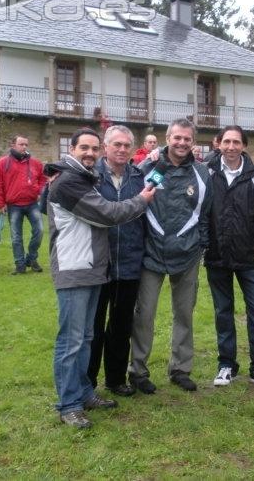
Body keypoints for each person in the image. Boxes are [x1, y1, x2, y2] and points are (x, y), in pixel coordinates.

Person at [45, 127, 155, 429]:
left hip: (94, 269)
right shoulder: (68, 182)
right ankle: (68, 404)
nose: (90, 153)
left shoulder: (84, 178)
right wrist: (142, 200)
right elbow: (107, 213)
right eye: (85, 148)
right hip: (74, 269)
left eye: (94, 149)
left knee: (86, 338)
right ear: (72, 149)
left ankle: (84, 393)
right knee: (71, 341)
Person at [129, 119, 212, 394]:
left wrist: (200, 244)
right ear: (168, 138)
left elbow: (206, 213)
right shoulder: (151, 167)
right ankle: (138, 371)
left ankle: (180, 369)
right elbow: (135, 202)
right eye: (177, 138)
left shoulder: (201, 173)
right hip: (151, 254)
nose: (182, 143)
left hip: (187, 255)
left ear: (193, 141)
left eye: (187, 139)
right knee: (144, 314)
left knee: (184, 314)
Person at [205, 126, 254, 388]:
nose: (230, 146)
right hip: (216, 255)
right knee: (223, 312)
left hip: (249, 256)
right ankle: (226, 364)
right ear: (219, 144)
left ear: (244, 146)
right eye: (226, 141)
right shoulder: (206, 173)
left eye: (236, 142)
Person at [87, 126, 146, 397]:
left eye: (126, 145)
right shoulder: (90, 175)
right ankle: (87, 382)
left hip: (130, 261)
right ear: (105, 146)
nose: (122, 150)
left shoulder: (139, 177)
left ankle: (115, 378)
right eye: (117, 145)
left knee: (121, 325)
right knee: (94, 327)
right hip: (98, 263)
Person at [0, 134, 46, 274]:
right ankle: (20, 265)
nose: (24, 147)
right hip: (13, 205)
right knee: (16, 237)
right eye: (21, 144)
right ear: (13, 145)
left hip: (32, 203)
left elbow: (43, 179)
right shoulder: (2, 163)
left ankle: (31, 258)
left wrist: (39, 191)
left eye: (26, 144)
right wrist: (0, 203)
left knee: (39, 231)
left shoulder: (36, 163)